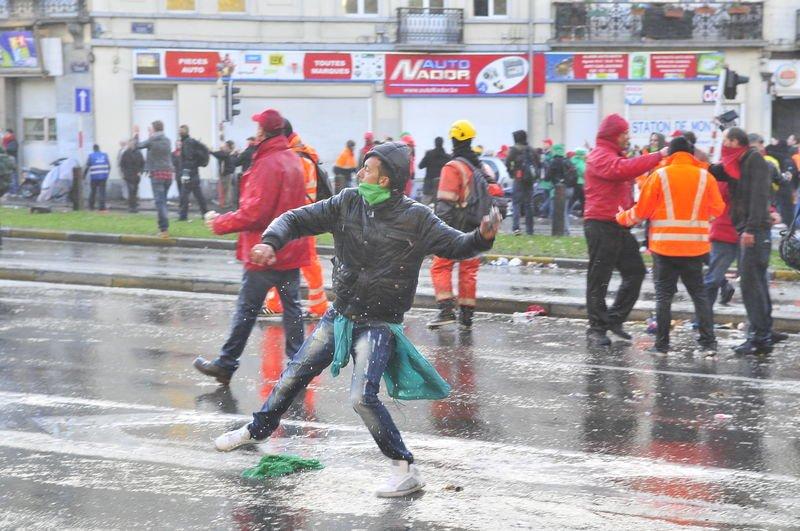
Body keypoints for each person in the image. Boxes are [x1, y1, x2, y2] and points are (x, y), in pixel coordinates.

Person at [211, 140, 499, 498]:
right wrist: (272, 241)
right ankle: (257, 430)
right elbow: (296, 218)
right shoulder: (347, 202)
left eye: (368, 169)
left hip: (379, 323)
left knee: (363, 397)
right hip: (341, 314)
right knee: (293, 376)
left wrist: (481, 237)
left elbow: (458, 245)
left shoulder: (417, 218)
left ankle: (404, 469)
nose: (360, 173)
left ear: (385, 180)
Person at [193, 108, 310, 384]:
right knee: (292, 308)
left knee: (247, 309)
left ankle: (226, 363)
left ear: (264, 132)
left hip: (264, 250)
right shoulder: (291, 160)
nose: (254, 131)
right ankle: (298, 366)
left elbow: (255, 212)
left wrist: (220, 223)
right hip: (289, 247)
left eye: (257, 126)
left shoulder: (267, 163)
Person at [617, 137, 724, 355]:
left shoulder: (660, 175)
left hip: (665, 248)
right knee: (699, 295)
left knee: (664, 297)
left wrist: (621, 218)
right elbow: (718, 209)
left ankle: (662, 345)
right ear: (691, 154)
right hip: (695, 248)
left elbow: (641, 212)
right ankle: (708, 343)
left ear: (671, 154)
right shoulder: (705, 176)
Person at [584, 113, 667, 346]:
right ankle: (596, 328)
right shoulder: (600, 155)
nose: (626, 138)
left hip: (618, 223)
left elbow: (622, 182)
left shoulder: (613, 155)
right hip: (600, 223)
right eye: (624, 134)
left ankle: (613, 318)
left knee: (635, 271)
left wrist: (633, 212)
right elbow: (621, 170)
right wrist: (658, 155)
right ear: (613, 134)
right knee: (599, 277)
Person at [712, 127, 785, 355]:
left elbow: (758, 197)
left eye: (726, 141)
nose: (724, 145)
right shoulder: (742, 161)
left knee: (751, 285)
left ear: (734, 142)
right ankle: (763, 332)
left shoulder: (753, 161)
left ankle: (759, 338)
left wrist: (751, 229)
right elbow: (721, 171)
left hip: (754, 231)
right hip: (752, 229)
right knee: (757, 283)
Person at [261, 120, 330, 321]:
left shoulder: (297, 157)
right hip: (297, 219)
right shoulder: (298, 154)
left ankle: (319, 307)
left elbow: (294, 193)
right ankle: (275, 304)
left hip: (301, 220)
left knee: (308, 262)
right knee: (281, 260)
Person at [427, 119, 489, 331]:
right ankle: (466, 316)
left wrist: (438, 230)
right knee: (468, 270)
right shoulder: (478, 167)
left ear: (453, 139)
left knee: (440, 266)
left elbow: (445, 202)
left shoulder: (453, 167)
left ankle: (446, 311)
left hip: (454, 228)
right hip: (476, 228)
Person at [134, 120, 174, 238]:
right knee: (163, 201)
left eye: (150, 128)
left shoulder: (152, 140)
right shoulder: (167, 140)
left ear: (154, 129)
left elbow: (137, 146)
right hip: (168, 174)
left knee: (160, 202)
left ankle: (164, 229)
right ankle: (163, 227)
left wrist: (136, 134)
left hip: (157, 174)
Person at [506, 130, 538, 235]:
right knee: (529, 204)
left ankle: (516, 228)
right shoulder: (532, 150)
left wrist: (511, 173)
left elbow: (507, 162)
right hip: (529, 180)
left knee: (516, 204)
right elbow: (538, 163)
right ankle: (530, 230)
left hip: (518, 178)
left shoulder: (514, 149)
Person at [177, 125, 209, 221]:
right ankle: (205, 213)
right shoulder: (189, 142)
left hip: (189, 173)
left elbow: (188, 159)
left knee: (184, 195)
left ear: (184, 132)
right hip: (194, 173)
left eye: (180, 131)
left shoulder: (187, 143)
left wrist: (185, 174)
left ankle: (183, 216)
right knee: (198, 195)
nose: (179, 132)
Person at [546, 144, 578, 232]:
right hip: (570, 189)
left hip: (558, 190)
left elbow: (547, 177)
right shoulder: (568, 161)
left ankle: (564, 231)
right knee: (565, 211)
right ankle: (565, 230)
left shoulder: (554, 162)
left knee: (558, 212)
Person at [418, 136, 449, 206]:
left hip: (429, 187)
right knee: (441, 209)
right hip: (441, 188)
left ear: (435, 143)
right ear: (443, 143)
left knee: (424, 208)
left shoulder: (429, 154)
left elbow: (420, 166)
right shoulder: (447, 157)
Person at [119, 139, 145, 213]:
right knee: (131, 190)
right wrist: (124, 173)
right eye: (129, 143)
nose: (130, 145)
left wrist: (140, 171)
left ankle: (134, 206)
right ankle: (131, 207)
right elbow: (122, 164)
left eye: (132, 143)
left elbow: (143, 163)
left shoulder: (138, 153)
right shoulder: (126, 153)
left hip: (136, 175)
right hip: (128, 175)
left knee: (135, 190)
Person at [84, 144, 111, 211]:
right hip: (103, 177)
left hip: (94, 177)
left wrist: (83, 176)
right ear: (99, 148)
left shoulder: (91, 156)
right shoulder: (105, 155)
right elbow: (109, 166)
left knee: (93, 191)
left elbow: (87, 166)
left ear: (93, 149)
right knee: (102, 192)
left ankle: (91, 206)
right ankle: (102, 207)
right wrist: (107, 174)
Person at [212, 140, 236, 209]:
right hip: (226, 173)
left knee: (225, 189)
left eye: (225, 145)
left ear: (228, 147)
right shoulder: (228, 153)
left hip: (226, 173)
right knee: (225, 188)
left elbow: (219, 154)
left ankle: (225, 204)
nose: (223, 146)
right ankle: (225, 203)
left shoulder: (227, 154)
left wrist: (211, 151)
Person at [569, 148, 587, 217]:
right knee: (582, 199)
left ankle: (568, 210)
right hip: (580, 182)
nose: (585, 156)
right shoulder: (580, 162)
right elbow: (584, 172)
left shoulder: (573, 160)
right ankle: (582, 213)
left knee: (576, 198)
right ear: (581, 155)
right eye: (584, 155)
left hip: (574, 182)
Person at [2, 128, 18, 195]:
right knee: (9, 175)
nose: (5, 135)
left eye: (7, 133)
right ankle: (10, 190)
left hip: (11, 159)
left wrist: (5, 150)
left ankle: (14, 191)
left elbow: (11, 150)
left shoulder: (12, 140)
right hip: (8, 159)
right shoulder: (7, 140)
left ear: (10, 133)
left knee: (12, 174)